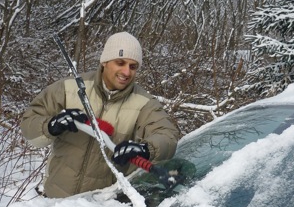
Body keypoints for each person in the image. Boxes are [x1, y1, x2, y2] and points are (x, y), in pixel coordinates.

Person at [20, 32, 180, 198]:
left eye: (133, 67)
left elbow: (167, 136)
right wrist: (51, 126)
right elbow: (30, 123)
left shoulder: (144, 103)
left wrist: (146, 149)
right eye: (120, 63)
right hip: (56, 200)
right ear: (105, 62)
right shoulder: (68, 88)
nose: (126, 72)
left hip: (102, 206)